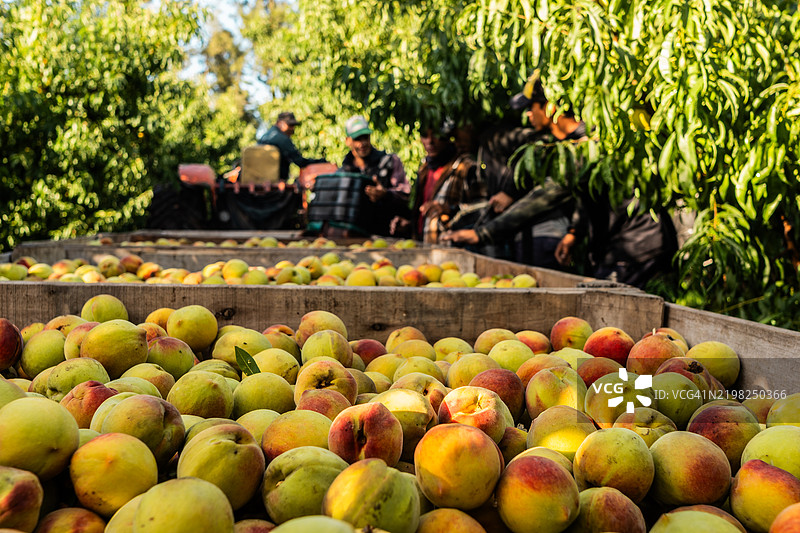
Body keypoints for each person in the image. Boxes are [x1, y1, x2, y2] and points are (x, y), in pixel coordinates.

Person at [442, 79, 577, 269]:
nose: (528, 115)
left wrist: (483, 232)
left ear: (549, 107)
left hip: (545, 235)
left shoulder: (568, 147)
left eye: (531, 108)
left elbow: (545, 195)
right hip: (531, 235)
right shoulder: (555, 146)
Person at [391, 122, 485, 243]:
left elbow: (483, 209)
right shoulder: (424, 170)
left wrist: (450, 209)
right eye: (425, 135)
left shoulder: (466, 168)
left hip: (453, 252)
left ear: (446, 137)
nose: (430, 141)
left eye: (435, 135)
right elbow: (425, 217)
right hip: (427, 251)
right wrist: (410, 225)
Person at [338, 115, 411, 236]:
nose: (363, 143)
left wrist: (386, 194)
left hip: (387, 235)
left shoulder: (389, 162)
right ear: (348, 141)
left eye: (365, 138)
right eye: (357, 139)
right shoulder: (343, 172)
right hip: (355, 237)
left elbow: (405, 193)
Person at [257, 111, 326, 182]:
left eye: (293, 125)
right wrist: (322, 161)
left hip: (258, 180)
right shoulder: (282, 139)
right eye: (290, 125)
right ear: (280, 123)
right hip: (275, 183)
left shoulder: (266, 136)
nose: (292, 129)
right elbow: (300, 162)